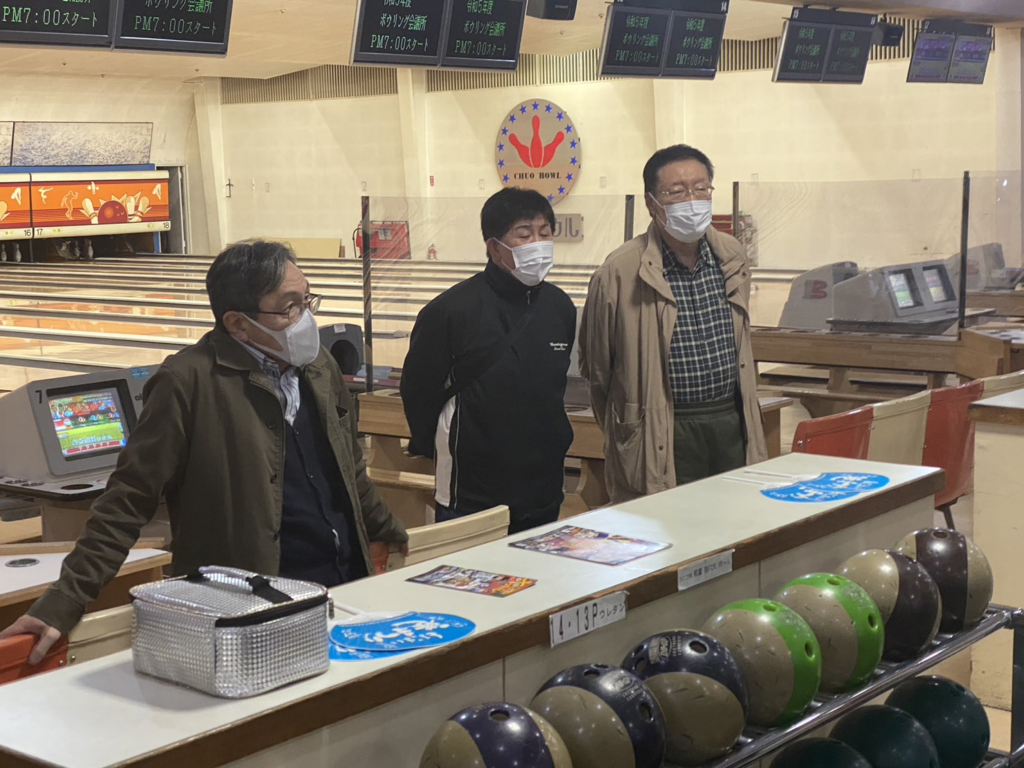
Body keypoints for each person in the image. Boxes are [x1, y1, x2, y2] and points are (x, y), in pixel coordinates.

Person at [1, 240, 408, 663]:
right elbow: (127, 502)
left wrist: (388, 528)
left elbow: (348, 469)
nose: (305, 318)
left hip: (343, 587)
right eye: (289, 308)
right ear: (238, 324)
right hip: (253, 608)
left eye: (307, 301)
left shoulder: (319, 367)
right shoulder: (186, 383)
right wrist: (63, 601)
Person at [579, 144, 767, 503]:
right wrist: (628, 428)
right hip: (662, 429)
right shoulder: (619, 272)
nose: (692, 200)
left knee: (736, 518)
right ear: (652, 203)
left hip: (730, 421)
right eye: (676, 192)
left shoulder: (731, 256)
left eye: (701, 188)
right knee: (667, 524)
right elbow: (599, 372)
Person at [401, 188, 576, 534]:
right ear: (494, 247)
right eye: (524, 234)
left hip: (543, 489)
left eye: (545, 233)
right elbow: (418, 391)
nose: (538, 243)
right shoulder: (451, 310)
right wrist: (445, 447)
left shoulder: (560, 307)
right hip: (471, 493)